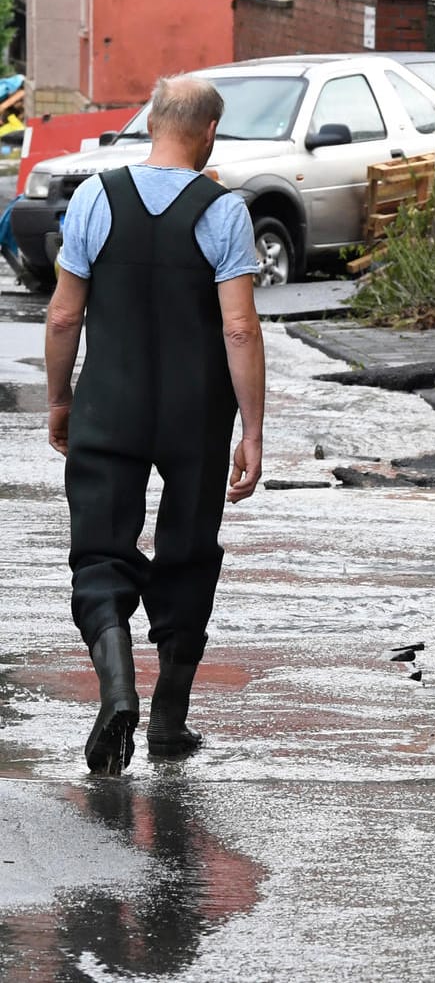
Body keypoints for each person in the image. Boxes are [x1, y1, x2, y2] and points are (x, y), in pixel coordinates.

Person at [43, 75, 265, 775]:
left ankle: (116, 687)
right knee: (189, 550)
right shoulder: (223, 210)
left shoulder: (93, 198)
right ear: (206, 133)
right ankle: (169, 718)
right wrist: (252, 430)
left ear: (152, 124)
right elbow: (238, 327)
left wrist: (59, 398)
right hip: (195, 414)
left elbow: (63, 314)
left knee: (100, 549)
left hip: (110, 402)